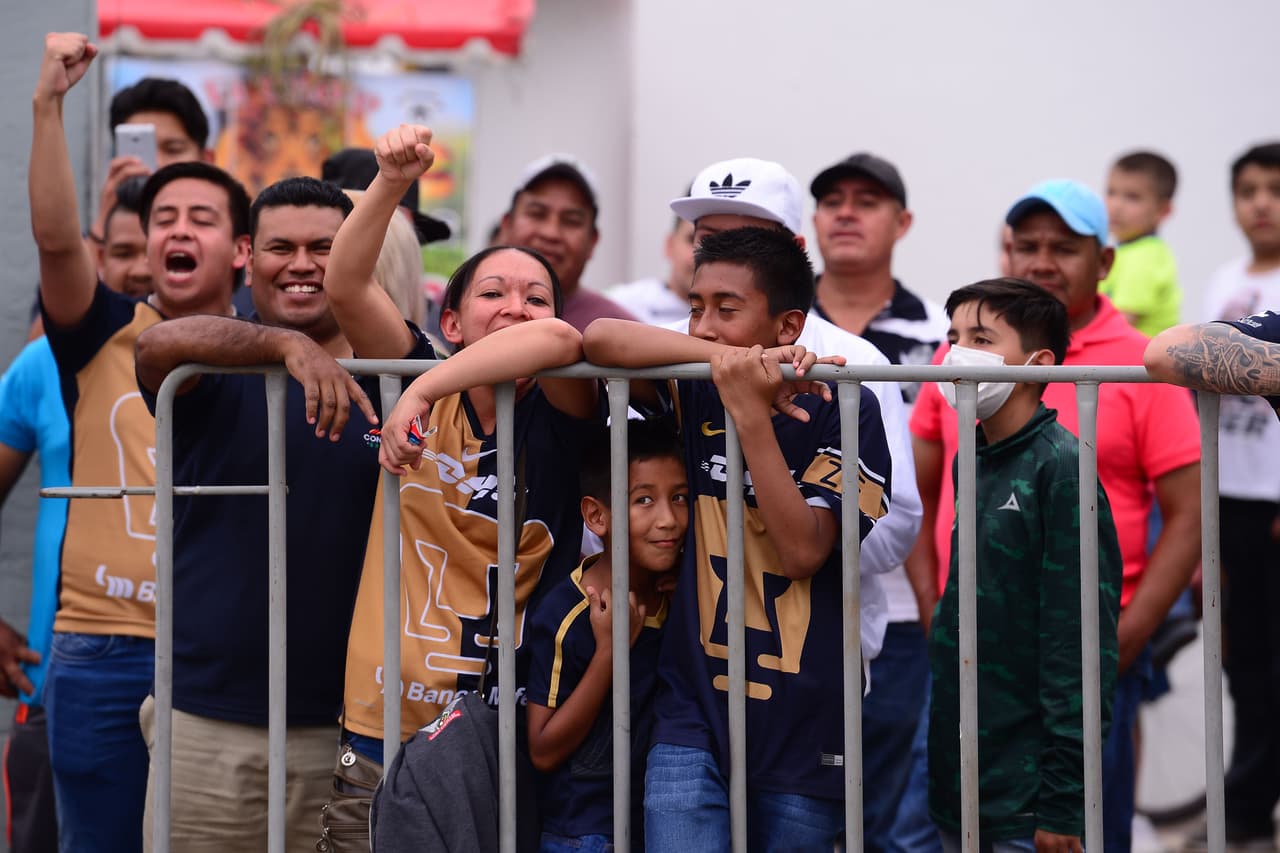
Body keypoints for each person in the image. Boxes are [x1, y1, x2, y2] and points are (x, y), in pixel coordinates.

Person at [316, 124, 602, 852]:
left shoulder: (559, 405)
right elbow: (344, 284)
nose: (515, 307)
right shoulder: (416, 367)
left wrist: (419, 391)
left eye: (537, 296)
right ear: (450, 319)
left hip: (495, 733)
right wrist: (389, 182)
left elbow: (562, 342)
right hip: (379, 720)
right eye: (493, 293)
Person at [131, 176, 422, 852]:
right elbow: (155, 345)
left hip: (354, 730)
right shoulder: (209, 371)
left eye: (325, 247)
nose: (301, 264)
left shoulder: (402, 374)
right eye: (280, 247)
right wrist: (283, 345)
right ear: (246, 255)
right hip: (207, 724)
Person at [910, 179, 1201, 853]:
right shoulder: (965, 384)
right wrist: (938, 616)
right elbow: (919, 496)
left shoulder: (1145, 364)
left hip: (1080, 662)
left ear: (1104, 260)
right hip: (973, 663)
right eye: (1027, 244)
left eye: (1063, 247)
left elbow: (1188, 517)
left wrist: (1119, 644)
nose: (1042, 260)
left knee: (1079, 826)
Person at [583, 226, 894, 849]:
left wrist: (751, 415)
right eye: (695, 308)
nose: (702, 327)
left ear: (788, 326)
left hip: (804, 716)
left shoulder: (844, 404)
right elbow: (599, 338)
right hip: (690, 707)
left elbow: (803, 552)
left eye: (726, 310)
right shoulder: (694, 379)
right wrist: (726, 364)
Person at [30, 32, 250, 853]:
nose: (178, 231)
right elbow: (57, 242)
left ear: (242, 248)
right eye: (162, 219)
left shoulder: (273, 353)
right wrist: (47, 104)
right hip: (102, 647)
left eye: (202, 217)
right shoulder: (99, 331)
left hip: (224, 657)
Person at [667, 157, 923, 677]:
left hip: (816, 660)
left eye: (746, 238)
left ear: (796, 251)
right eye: (708, 238)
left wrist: (790, 527)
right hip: (686, 657)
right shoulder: (666, 349)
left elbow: (893, 529)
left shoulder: (855, 361)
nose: (724, 253)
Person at [926, 277, 1122, 853]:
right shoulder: (972, 454)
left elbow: (1076, 645)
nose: (957, 354)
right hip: (961, 782)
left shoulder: (1061, 467)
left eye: (981, 339)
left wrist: (1062, 803)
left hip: (1027, 798)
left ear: (1038, 365)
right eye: (953, 337)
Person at [0, 170, 155, 853]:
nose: (142, 266)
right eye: (123, 251)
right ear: (97, 256)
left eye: (156, 248)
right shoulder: (44, 363)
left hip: (204, 689)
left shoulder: (235, 359)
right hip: (61, 682)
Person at [809, 151, 948, 853]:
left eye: (866, 201)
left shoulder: (943, 338)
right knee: (800, 808)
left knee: (888, 817)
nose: (846, 212)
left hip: (903, 610)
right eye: (832, 199)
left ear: (903, 221)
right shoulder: (779, 326)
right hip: (794, 604)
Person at [1145, 140, 1280, 853]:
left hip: (1274, 495)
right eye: (1248, 189)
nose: (1261, 203)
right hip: (1228, 494)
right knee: (1241, 656)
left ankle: (1252, 801)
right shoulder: (1227, 278)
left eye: (1275, 189)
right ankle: (1248, 802)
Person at [525, 421, 689, 851]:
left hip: (659, 826)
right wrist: (609, 652)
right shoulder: (569, 612)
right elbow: (542, 749)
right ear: (597, 516)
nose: (668, 519)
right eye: (644, 500)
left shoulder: (681, 596)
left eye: (679, 497)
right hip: (584, 834)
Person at [499, 154, 636, 331]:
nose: (551, 233)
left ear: (593, 241)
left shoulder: (622, 333)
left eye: (571, 221)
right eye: (537, 213)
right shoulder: (465, 311)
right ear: (506, 225)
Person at [1100, 151, 1183, 337]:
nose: (1116, 206)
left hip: (1138, 355)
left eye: (1132, 197)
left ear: (1163, 210)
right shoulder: (1125, 252)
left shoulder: (1146, 257)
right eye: (1111, 192)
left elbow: (1119, 325)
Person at [607, 213, 697, 326]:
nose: (701, 254)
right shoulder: (617, 306)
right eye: (692, 240)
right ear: (669, 245)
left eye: (712, 243)